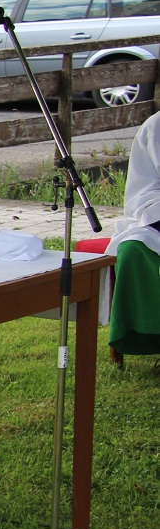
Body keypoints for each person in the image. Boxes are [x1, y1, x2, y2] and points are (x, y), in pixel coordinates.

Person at [101, 110, 160, 355]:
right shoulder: (157, 125)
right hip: (154, 215)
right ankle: (147, 333)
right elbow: (144, 194)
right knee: (133, 249)